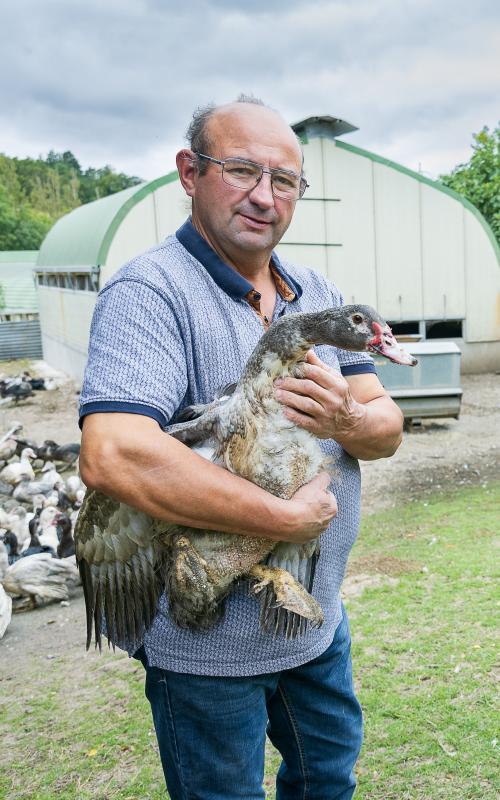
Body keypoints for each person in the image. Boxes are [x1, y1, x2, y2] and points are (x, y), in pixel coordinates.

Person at [79, 95, 404, 799]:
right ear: (189, 173)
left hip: (314, 623)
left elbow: (387, 425)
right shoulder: (149, 291)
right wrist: (285, 520)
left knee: (327, 782)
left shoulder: (314, 290)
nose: (265, 196)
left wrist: (346, 418)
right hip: (208, 656)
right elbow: (113, 454)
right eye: (241, 171)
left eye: (283, 180)